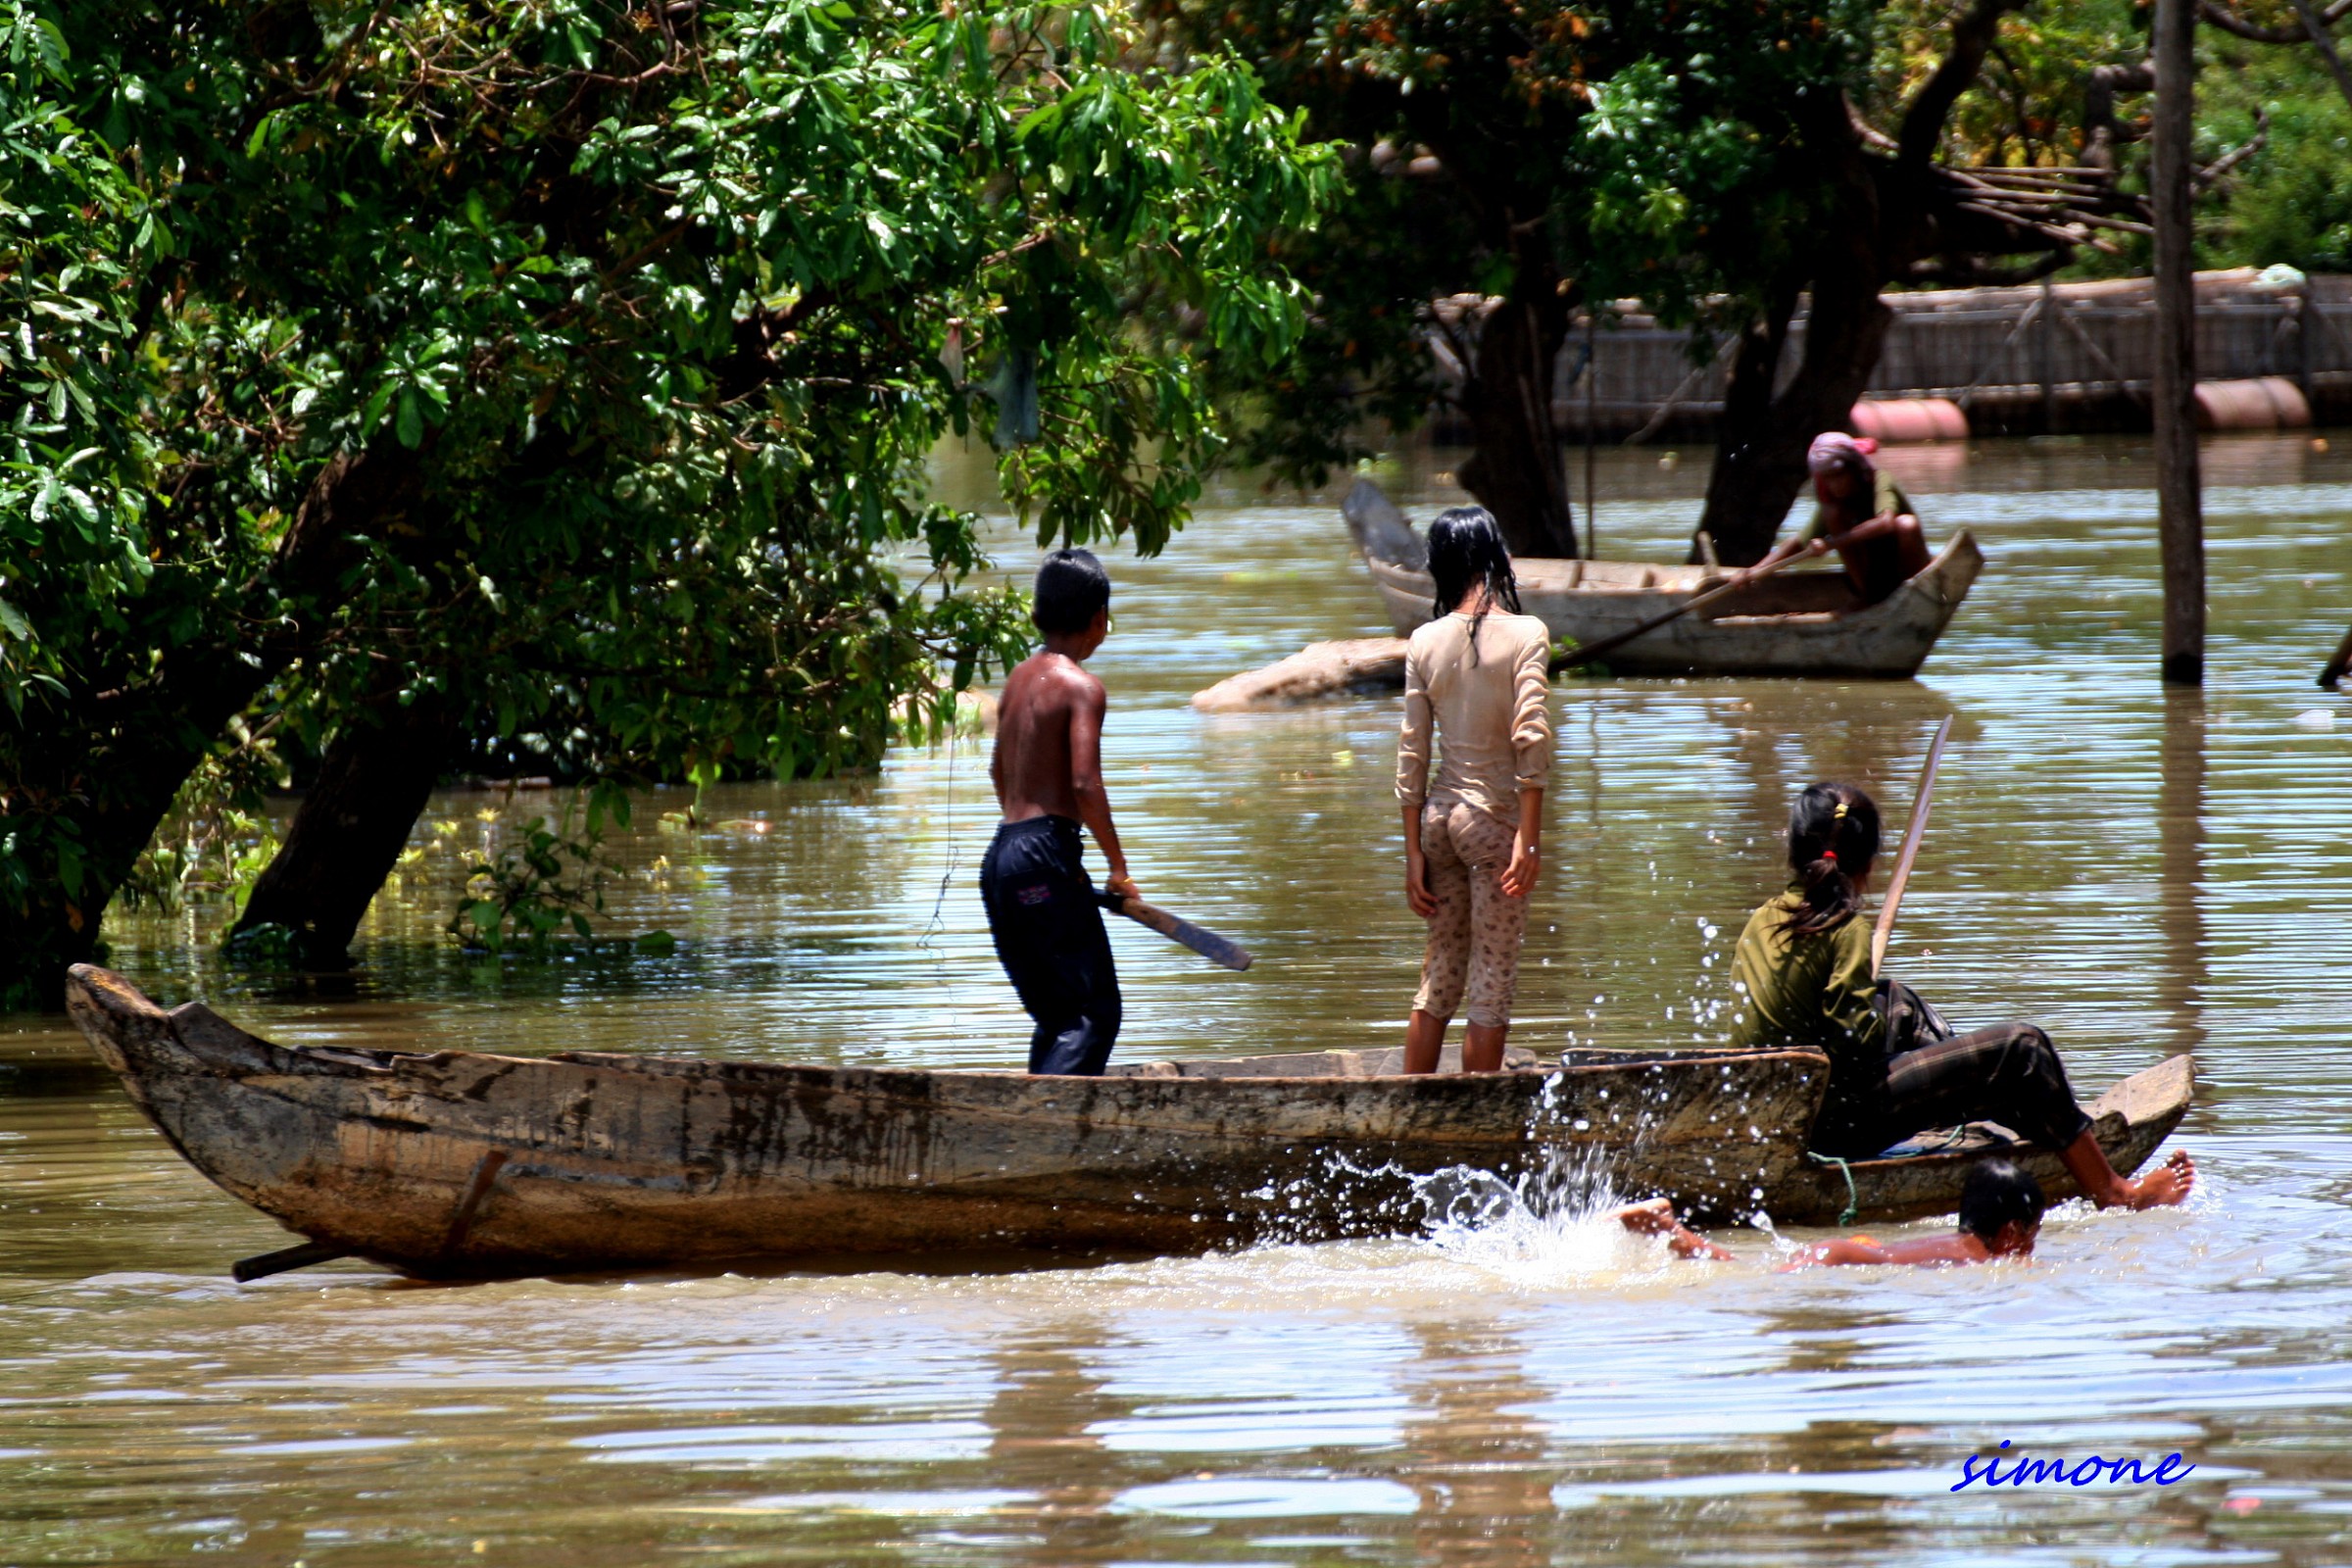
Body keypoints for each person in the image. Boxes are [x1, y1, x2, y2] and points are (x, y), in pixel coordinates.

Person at [1727, 780, 2195, 1209]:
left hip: (1787, 1108)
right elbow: (1854, 1043)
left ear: (1795, 852)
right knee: (2023, 1048)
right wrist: (1858, 982)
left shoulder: (1762, 920)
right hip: (1834, 1123)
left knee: (1898, 1002)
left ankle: (1998, 1114)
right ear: (1868, 860)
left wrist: (1868, 993)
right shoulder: (1845, 928)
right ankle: (2114, 1191)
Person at [1395, 506, 1551, 1074]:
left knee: (1440, 976)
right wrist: (1527, 840)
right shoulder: (1528, 633)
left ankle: (1409, 1112)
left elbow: (1413, 753)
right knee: (1492, 981)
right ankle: (1476, 1119)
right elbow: (1530, 738)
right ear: (1494, 557)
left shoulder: (1423, 640)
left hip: (1437, 819)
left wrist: (1412, 851)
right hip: (1491, 826)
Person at [981, 548, 1134, 1076]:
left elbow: (997, 774)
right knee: (1093, 1014)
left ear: (1034, 615)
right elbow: (1084, 782)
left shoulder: (1017, 681)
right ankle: (1049, 1128)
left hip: (1000, 859)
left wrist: (1029, 856)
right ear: (1099, 622)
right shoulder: (1082, 687)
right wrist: (1117, 868)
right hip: (1043, 854)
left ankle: (1025, 1128)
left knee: (1057, 1016)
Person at [1615, 1157, 2052, 1268]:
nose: (2028, 1248)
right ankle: (1666, 1228)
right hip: (1840, 1257)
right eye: (2032, 1236)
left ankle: (1665, 1227)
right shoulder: (1971, 1260)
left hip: (1846, 1252)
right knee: (1748, 1276)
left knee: (1747, 1269)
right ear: (2013, 1231)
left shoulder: (1954, 1246)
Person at [1753, 432, 1931, 604]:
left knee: (1906, 525)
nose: (1835, 485)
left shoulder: (1880, 480)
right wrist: (1756, 571)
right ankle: (1867, 596)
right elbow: (1800, 542)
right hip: (1872, 576)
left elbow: (1886, 523)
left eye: (1839, 476)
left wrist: (1832, 543)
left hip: (1902, 567)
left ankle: (1916, 593)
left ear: (1854, 468)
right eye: (1828, 479)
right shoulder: (1836, 505)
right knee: (1831, 514)